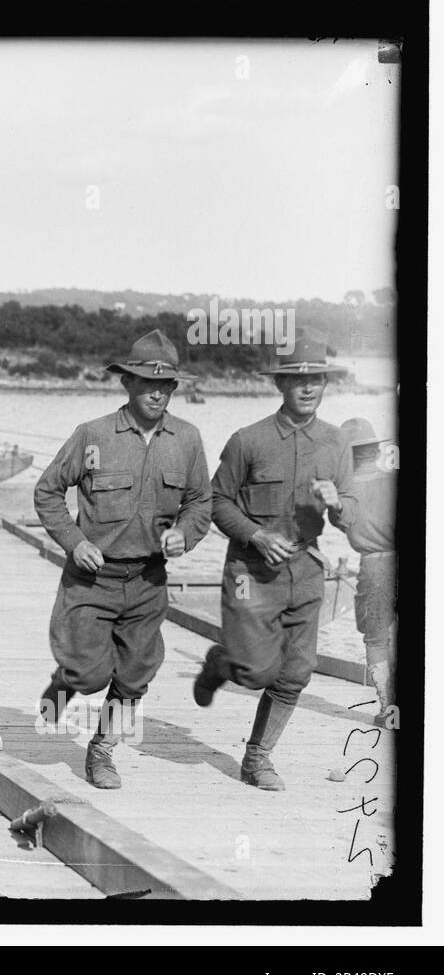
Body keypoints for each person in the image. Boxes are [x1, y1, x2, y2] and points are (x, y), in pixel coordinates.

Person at [34, 330, 211, 789]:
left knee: (136, 673)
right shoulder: (92, 435)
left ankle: (102, 751)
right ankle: (66, 682)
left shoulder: (187, 440)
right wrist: (74, 542)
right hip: (92, 579)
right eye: (147, 383)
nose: (157, 392)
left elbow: (200, 503)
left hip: (149, 580)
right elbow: (48, 491)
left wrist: (184, 535)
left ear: (174, 388)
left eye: (167, 385)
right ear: (127, 384)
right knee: (88, 673)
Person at [191, 332, 359, 790]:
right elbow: (216, 501)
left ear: (325, 384)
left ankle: (257, 758)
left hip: (305, 573)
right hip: (250, 572)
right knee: (256, 670)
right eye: (297, 379)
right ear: (280, 385)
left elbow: (353, 513)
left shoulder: (336, 443)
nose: (308, 388)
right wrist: (256, 534)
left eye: (317, 379)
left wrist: (339, 503)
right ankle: (224, 662)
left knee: (296, 673)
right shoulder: (249, 441)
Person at [341, 417, 397, 727]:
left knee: (376, 638)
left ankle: (389, 709)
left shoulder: (345, 493)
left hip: (375, 566)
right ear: (376, 450)